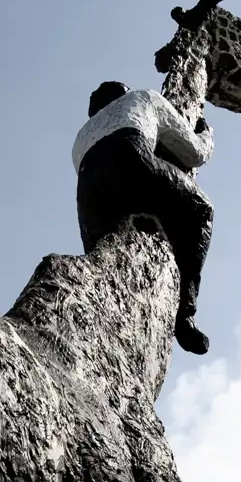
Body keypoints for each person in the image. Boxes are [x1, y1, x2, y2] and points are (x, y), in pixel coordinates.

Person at [72, 80, 214, 355]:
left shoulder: (80, 136)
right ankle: (185, 314)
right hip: (131, 158)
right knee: (202, 210)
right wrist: (207, 136)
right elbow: (194, 154)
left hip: (89, 192)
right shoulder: (144, 98)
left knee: (99, 262)